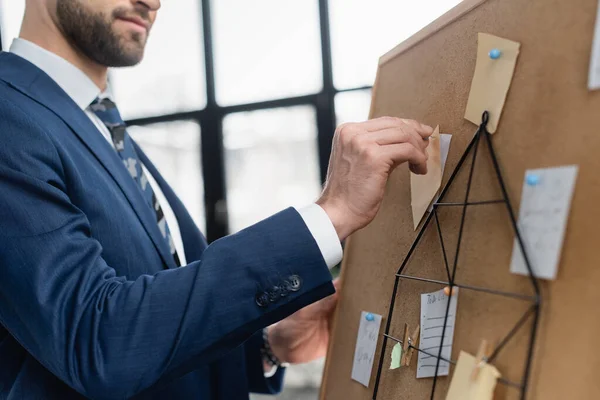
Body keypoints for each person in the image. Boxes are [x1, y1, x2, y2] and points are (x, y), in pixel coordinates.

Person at [0, 0, 433, 398]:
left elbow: (151, 337)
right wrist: (329, 215)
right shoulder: (10, 114)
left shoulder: (96, 121)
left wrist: (267, 345)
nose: (153, 2)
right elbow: (97, 340)